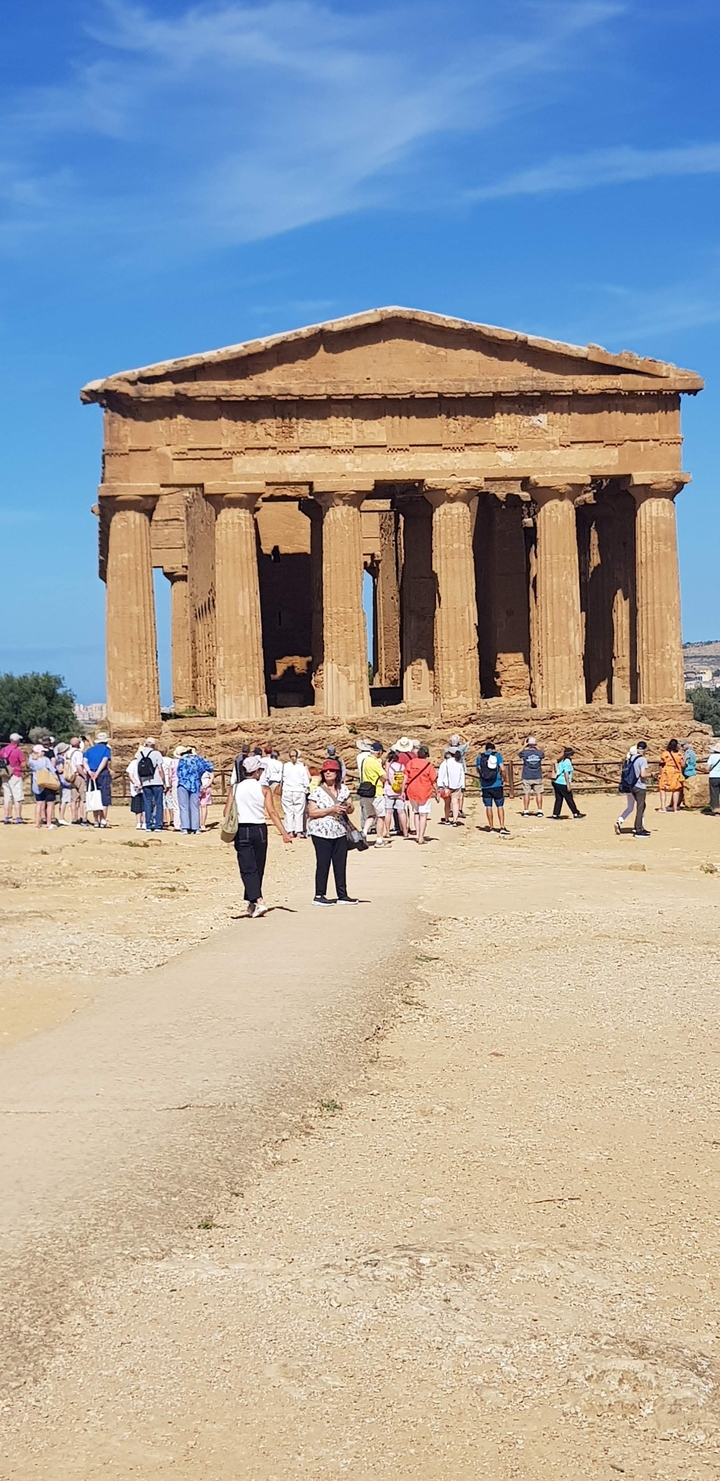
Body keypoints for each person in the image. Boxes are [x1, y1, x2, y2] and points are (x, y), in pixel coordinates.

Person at [226, 753, 291, 918]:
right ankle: (253, 901)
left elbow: (226, 811)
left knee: (247, 867)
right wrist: (284, 832)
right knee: (258, 866)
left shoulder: (235, 788)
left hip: (242, 829)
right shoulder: (264, 789)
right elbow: (272, 812)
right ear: (256, 772)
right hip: (260, 829)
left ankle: (258, 901)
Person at [306, 757, 358, 905]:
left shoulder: (344, 790)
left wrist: (347, 808)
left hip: (340, 831)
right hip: (321, 832)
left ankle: (342, 894)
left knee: (340, 863)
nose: (328, 773)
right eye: (326, 771)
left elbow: (351, 808)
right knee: (323, 863)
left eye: (332, 770)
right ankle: (319, 895)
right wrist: (331, 809)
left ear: (337, 773)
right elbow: (312, 812)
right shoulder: (316, 791)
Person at [176, 746, 214, 834]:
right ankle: (195, 828)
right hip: (195, 784)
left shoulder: (182, 760)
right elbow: (210, 766)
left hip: (183, 784)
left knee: (184, 807)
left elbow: (179, 773)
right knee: (195, 806)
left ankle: (185, 827)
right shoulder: (198, 760)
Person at [475, 741, 510, 836]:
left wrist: (482, 778)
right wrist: (504, 779)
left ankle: (491, 827)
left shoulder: (479, 757)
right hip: (497, 784)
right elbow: (502, 769)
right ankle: (502, 827)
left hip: (485, 785)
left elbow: (478, 769)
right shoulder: (497, 756)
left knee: (488, 806)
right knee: (500, 806)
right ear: (493, 748)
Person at [404, 745, 437, 845]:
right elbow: (433, 780)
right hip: (424, 791)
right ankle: (421, 837)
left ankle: (418, 835)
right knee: (423, 815)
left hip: (412, 791)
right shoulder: (429, 765)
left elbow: (405, 776)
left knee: (416, 813)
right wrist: (437, 792)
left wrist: (402, 789)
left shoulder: (411, 763)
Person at [616, 741, 650, 836]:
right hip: (640, 786)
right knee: (640, 807)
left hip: (632, 786)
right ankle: (638, 829)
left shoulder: (631, 758)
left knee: (638, 806)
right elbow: (642, 774)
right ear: (645, 749)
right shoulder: (642, 759)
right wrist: (652, 775)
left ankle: (640, 826)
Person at [359, 741, 387, 844]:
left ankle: (364, 833)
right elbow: (384, 777)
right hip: (376, 792)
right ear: (379, 752)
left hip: (366, 791)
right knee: (380, 816)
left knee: (370, 815)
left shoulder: (365, 760)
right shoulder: (375, 762)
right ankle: (379, 840)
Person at [136, 737, 165, 832]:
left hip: (145, 782)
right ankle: (158, 825)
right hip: (157, 781)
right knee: (158, 803)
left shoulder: (139, 754)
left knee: (147, 803)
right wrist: (164, 781)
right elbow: (160, 769)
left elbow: (138, 770)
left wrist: (140, 782)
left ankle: (148, 824)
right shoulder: (157, 753)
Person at [84, 731, 112, 826]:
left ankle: (96, 820)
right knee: (104, 796)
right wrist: (97, 772)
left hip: (90, 775)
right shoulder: (106, 750)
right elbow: (104, 762)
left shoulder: (89, 750)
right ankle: (103, 819)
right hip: (102, 774)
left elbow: (85, 761)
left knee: (93, 795)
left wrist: (90, 772)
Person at [281, 749, 310, 837]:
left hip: (287, 790)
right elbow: (306, 780)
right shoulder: (302, 766)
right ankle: (298, 831)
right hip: (299, 790)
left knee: (288, 811)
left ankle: (290, 831)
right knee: (299, 811)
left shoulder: (285, 766)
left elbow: (281, 778)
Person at [28, 744, 58, 829]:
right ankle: (48, 823)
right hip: (47, 783)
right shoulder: (45, 760)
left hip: (37, 784)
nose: (44, 753)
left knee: (39, 803)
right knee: (50, 803)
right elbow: (52, 770)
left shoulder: (31, 761)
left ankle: (37, 823)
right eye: (42, 751)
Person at [551, 747, 585, 820]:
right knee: (569, 799)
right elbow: (566, 773)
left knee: (559, 799)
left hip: (556, 782)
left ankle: (555, 814)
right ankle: (575, 813)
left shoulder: (561, 760)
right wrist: (568, 784)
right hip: (563, 783)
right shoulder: (567, 762)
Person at [384, 750, 409, 839]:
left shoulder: (388, 767)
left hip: (389, 791)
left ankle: (387, 832)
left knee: (388, 812)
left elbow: (386, 777)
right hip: (399, 792)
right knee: (401, 812)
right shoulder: (402, 766)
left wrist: (386, 768)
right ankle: (405, 832)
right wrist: (402, 791)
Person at [1, 733, 25, 824]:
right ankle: (18, 816)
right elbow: (23, 764)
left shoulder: (3, 750)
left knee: (7, 796)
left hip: (5, 774)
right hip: (15, 774)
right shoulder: (17, 751)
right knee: (17, 796)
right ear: (17, 741)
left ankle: (7, 816)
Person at [438, 748, 466, 827]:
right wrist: (462, 786)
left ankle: (447, 819)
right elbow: (462, 776)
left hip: (446, 786)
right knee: (455, 803)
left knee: (447, 804)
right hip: (457, 786)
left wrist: (440, 785)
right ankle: (455, 820)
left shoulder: (445, 763)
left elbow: (441, 775)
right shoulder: (459, 764)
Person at [518, 736, 545, 817]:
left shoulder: (525, 753)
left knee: (526, 794)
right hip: (537, 775)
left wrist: (524, 746)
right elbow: (543, 754)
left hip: (527, 776)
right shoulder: (539, 753)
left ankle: (526, 810)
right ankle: (539, 810)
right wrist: (537, 746)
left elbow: (519, 753)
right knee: (539, 793)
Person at [64, 736, 87, 824]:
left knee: (74, 798)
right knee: (82, 798)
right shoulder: (78, 753)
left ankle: (74, 817)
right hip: (78, 776)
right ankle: (83, 817)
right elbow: (78, 767)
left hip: (70, 777)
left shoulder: (67, 753)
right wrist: (84, 776)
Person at [657, 739, 684, 813]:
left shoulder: (665, 753)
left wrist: (660, 773)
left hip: (666, 772)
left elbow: (661, 764)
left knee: (662, 789)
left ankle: (663, 807)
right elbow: (682, 765)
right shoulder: (679, 754)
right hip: (675, 772)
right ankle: (675, 808)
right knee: (676, 790)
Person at [55, 744, 73, 825]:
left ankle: (62, 817)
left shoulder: (59, 759)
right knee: (64, 800)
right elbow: (59, 770)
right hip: (64, 782)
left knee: (64, 800)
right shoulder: (61, 760)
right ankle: (61, 817)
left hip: (63, 782)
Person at [126, 755, 145, 830]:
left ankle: (138, 822)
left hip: (135, 788)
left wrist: (135, 783)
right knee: (145, 805)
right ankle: (144, 822)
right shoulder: (147, 762)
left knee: (137, 806)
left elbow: (130, 774)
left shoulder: (133, 763)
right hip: (145, 786)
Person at [706, 740, 720, 814]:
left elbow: (707, 768)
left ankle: (716, 809)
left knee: (714, 793)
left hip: (714, 776)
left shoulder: (712, 756)